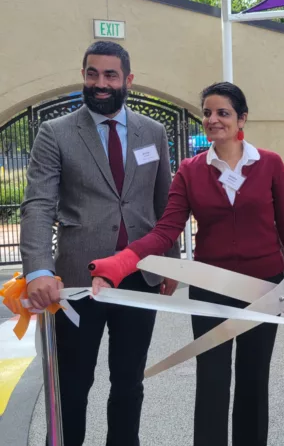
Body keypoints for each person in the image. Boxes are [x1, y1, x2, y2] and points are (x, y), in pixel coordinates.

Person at [86, 81, 284, 446]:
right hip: (209, 288)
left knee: (254, 378)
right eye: (207, 112)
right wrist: (122, 261)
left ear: (242, 119)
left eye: (223, 112)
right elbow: (165, 231)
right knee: (212, 379)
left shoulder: (270, 164)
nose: (213, 119)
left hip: (264, 288)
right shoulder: (190, 170)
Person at [20, 41, 180, 446]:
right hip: (77, 281)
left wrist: (171, 264)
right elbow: (38, 205)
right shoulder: (54, 133)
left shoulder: (154, 132)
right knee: (73, 385)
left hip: (138, 277)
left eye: (110, 75)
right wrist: (38, 269)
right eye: (92, 74)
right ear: (83, 76)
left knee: (129, 383)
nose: (100, 83)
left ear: (128, 79)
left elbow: (165, 206)